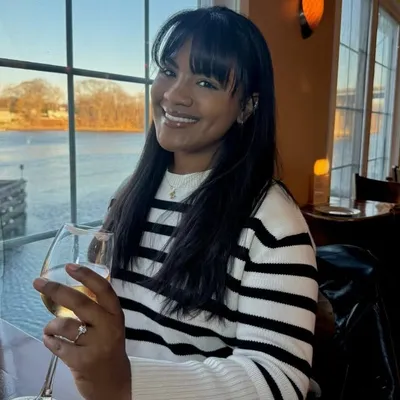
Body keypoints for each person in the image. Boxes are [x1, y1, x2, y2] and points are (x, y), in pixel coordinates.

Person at [33, 6, 318, 400]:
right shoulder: (130, 193)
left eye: (205, 82)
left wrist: (125, 381)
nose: (174, 95)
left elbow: (280, 381)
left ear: (247, 107)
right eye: (168, 71)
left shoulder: (272, 222)